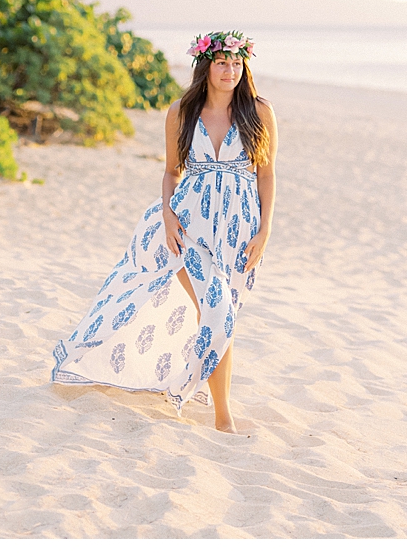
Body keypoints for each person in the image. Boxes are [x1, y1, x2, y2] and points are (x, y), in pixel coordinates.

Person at [51, 30, 278, 433]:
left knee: (223, 313)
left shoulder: (259, 111)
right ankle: (223, 417)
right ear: (205, 67)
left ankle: (195, 387)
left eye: (237, 63)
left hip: (239, 231)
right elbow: (172, 171)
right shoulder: (181, 112)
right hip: (187, 228)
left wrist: (265, 230)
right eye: (222, 63)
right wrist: (169, 218)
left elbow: (267, 173)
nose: (230, 70)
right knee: (218, 311)